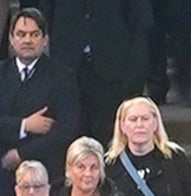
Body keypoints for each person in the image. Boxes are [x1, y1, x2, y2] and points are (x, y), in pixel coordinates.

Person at [0, 8, 80, 196]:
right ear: (11, 39)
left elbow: (66, 129)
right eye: (21, 34)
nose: (27, 40)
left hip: (46, 178)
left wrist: (21, 155)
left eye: (34, 35)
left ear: (45, 40)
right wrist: (24, 125)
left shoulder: (63, 77)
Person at [34, 0, 150, 140]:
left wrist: (134, 73)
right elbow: (44, 14)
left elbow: (140, 20)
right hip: (68, 64)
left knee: (109, 139)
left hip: (111, 67)